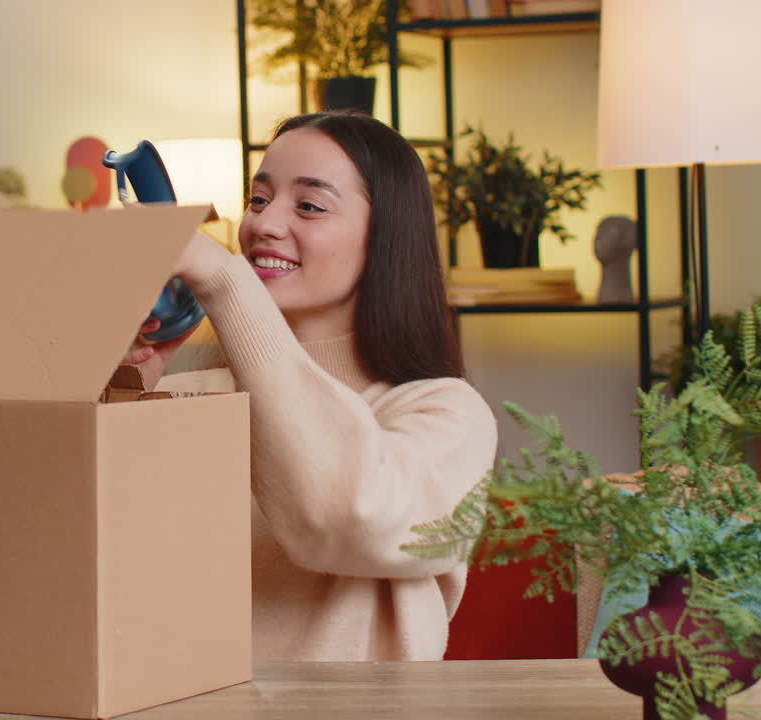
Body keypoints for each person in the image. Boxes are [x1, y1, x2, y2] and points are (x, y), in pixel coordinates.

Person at [122, 110, 498, 662]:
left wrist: (228, 287)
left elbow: (344, 518)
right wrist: (121, 392)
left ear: (384, 239)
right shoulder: (193, 396)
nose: (264, 225)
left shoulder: (444, 415)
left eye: (310, 206)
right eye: (258, 200)